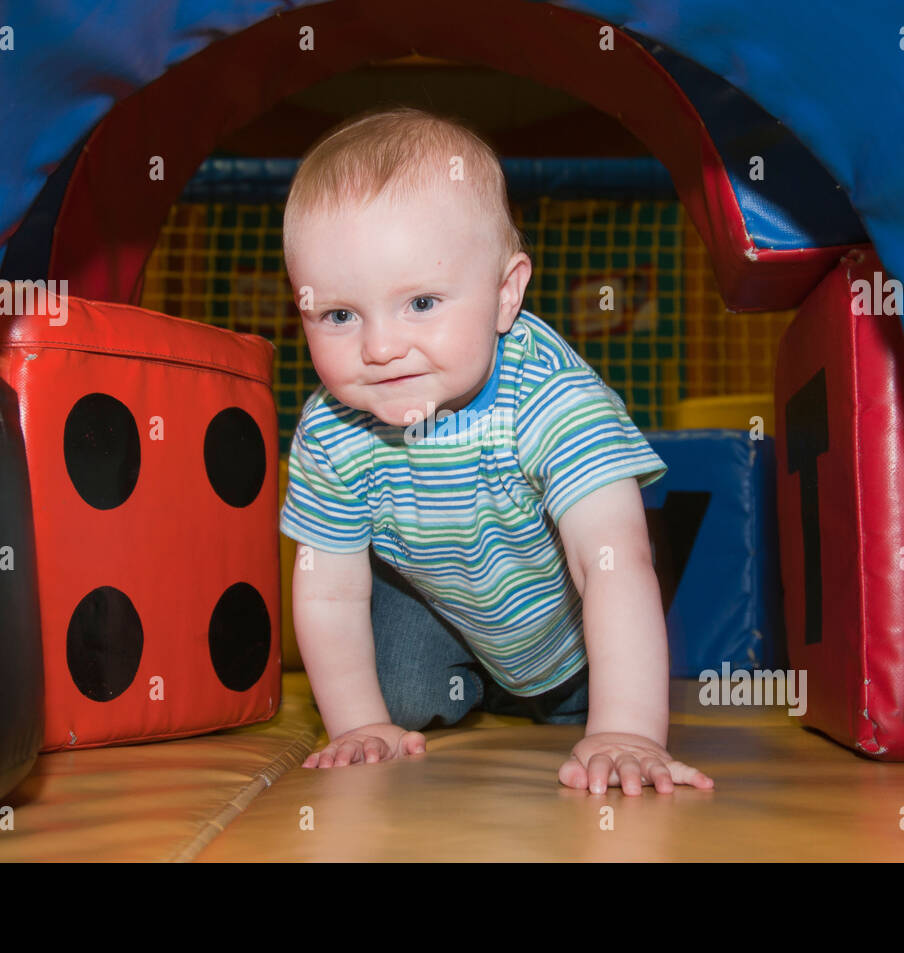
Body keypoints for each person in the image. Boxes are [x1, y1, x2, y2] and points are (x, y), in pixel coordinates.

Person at [279, 106, 713, 796]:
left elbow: (613, 560)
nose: (381, 348)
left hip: (568, 636)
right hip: (446, 619)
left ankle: (576, 702)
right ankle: (460, 690)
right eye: (339, 315)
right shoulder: (333, 430)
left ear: (505, 294)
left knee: (591, 710)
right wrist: (357, 723)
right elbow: (329, 587)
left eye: (421, 302)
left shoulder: (550, 395)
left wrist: (627, 728)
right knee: (390, 698)